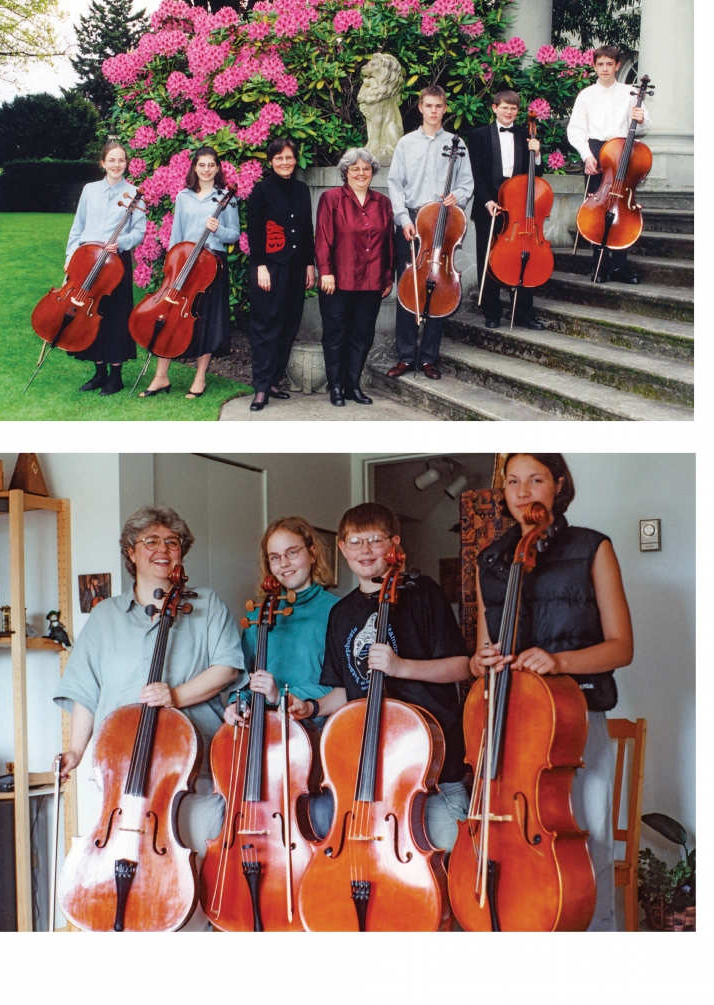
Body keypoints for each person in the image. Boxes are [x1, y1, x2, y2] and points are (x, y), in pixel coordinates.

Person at [55, 506, 246, 930]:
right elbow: (86, 691)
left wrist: (175, 695)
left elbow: (227, 668)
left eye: (173, 542)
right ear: (131, 552)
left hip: (187, 772)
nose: (163, 550)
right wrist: (75, 749)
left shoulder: (206, 605)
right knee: (112, 871)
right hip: (119, 778)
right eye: (152, 542)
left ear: (183, 554)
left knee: (190, 881)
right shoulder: (105, 617)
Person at [471, 453, 634, 931]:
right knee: (515, 844)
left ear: (558, 485)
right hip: (509, 722)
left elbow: (621, 646)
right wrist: (482, 660)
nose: (523, 493)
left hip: (573, 724)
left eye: (536, 480)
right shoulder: (491, 560)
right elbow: (484, 648)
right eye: (513, 482)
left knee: (589, 843)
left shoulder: (592, 548)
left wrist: (560, 662)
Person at [291, 502, 473, 854]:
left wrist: (400, 667)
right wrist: (311, 706)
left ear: (394, 545)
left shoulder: (423, 594)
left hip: (432, 773)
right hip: (373, 774)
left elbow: (461, 667)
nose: (365, 550)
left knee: (445, 876)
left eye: (375, 540)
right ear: (342, 548)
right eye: (355, 542)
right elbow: (348, 691)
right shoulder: (341, 613)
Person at [386, 84, 474, 380]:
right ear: (420, 108)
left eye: (439, 106)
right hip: (412, 219)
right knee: (409, 285)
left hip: (442, 219)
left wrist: (457, 196)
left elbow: (466, 183)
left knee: (439, 286)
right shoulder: (405, 143)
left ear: (444, 109)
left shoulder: (456, 143)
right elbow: (395, 183)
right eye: (429, 106)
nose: (434, 111)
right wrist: (402, 217)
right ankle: (406, 356)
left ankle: (428, 359)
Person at [140, 147, 241, 400]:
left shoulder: (226, 198)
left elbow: (234, 235)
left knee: (205, 319)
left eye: (211, 165)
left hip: (211, 265)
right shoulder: (183, 196)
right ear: (194, 168)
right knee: (170, 315)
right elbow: (177, 234)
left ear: (218, 168)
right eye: (202, 165)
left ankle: (200, 377)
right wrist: (171, 267)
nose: (206, 169)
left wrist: (218, 229)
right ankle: (161, 377)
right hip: (184, 264)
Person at [64, 139, 147, 396]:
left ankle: (116, 376)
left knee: (115, 316)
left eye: (121, 160)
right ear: (103, 162)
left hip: (115, 263)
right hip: (87, 260)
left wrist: (120, 242)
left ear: (126, 163)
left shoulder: (134, 193)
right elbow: (78, 226)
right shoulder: (89, 190)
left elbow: (140, 232)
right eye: (111, 160)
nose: (116, 164)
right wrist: (70, 258)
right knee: (90, 314)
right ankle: (99, 372)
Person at [315, 147, 393, 407]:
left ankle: (353, 386)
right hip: (338, 280)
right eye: (355, 168)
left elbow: (389, 243)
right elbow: (323, 238)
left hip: (372, 281)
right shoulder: (331, 199)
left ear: (373, 172)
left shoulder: (383, 203)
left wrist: (388, 277)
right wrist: (325, 271)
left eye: (366, 168)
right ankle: (336, 388)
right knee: (336, 335)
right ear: (345, 172)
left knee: (362, 335)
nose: (361, 173)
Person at [567, 45, 650, 284]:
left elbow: (644, 127)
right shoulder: (585, 95)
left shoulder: (631, 92)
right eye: (600, 64)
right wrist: (586, 156)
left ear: (617, 66)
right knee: (598, 208)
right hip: (595, 152)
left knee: (621, 209)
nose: (605, 69)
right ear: (594, 66)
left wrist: (641, 119)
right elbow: (576, 130)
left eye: (609, 64)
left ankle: (620, 266)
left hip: (623, 151)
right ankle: (599, 266)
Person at [243, 138, 315, 411]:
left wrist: (309, 264)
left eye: (289, 157)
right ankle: (261, 388)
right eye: (279, 158)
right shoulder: (262, 191)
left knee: (288, 324)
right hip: (269, 268)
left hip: (297, 267)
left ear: (295, 160)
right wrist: (260, 265)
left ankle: (273, 381)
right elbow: (255, 231)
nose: (285, 162)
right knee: (266, 324)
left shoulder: (301, 189)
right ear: (271, 162)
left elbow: (306, 229)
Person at [467, 90, 546, 329]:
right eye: (504, 107)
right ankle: (492, 312)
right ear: (494, 108)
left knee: (523, 256)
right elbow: (475, 173)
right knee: (489, 258)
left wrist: (538, 154)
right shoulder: (478, 135)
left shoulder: (526, 134)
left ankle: (523, 312)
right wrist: (486, 201)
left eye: (513, 109)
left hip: (520, 210)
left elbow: (537, 176)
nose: (509, 112)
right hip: (490, 206)